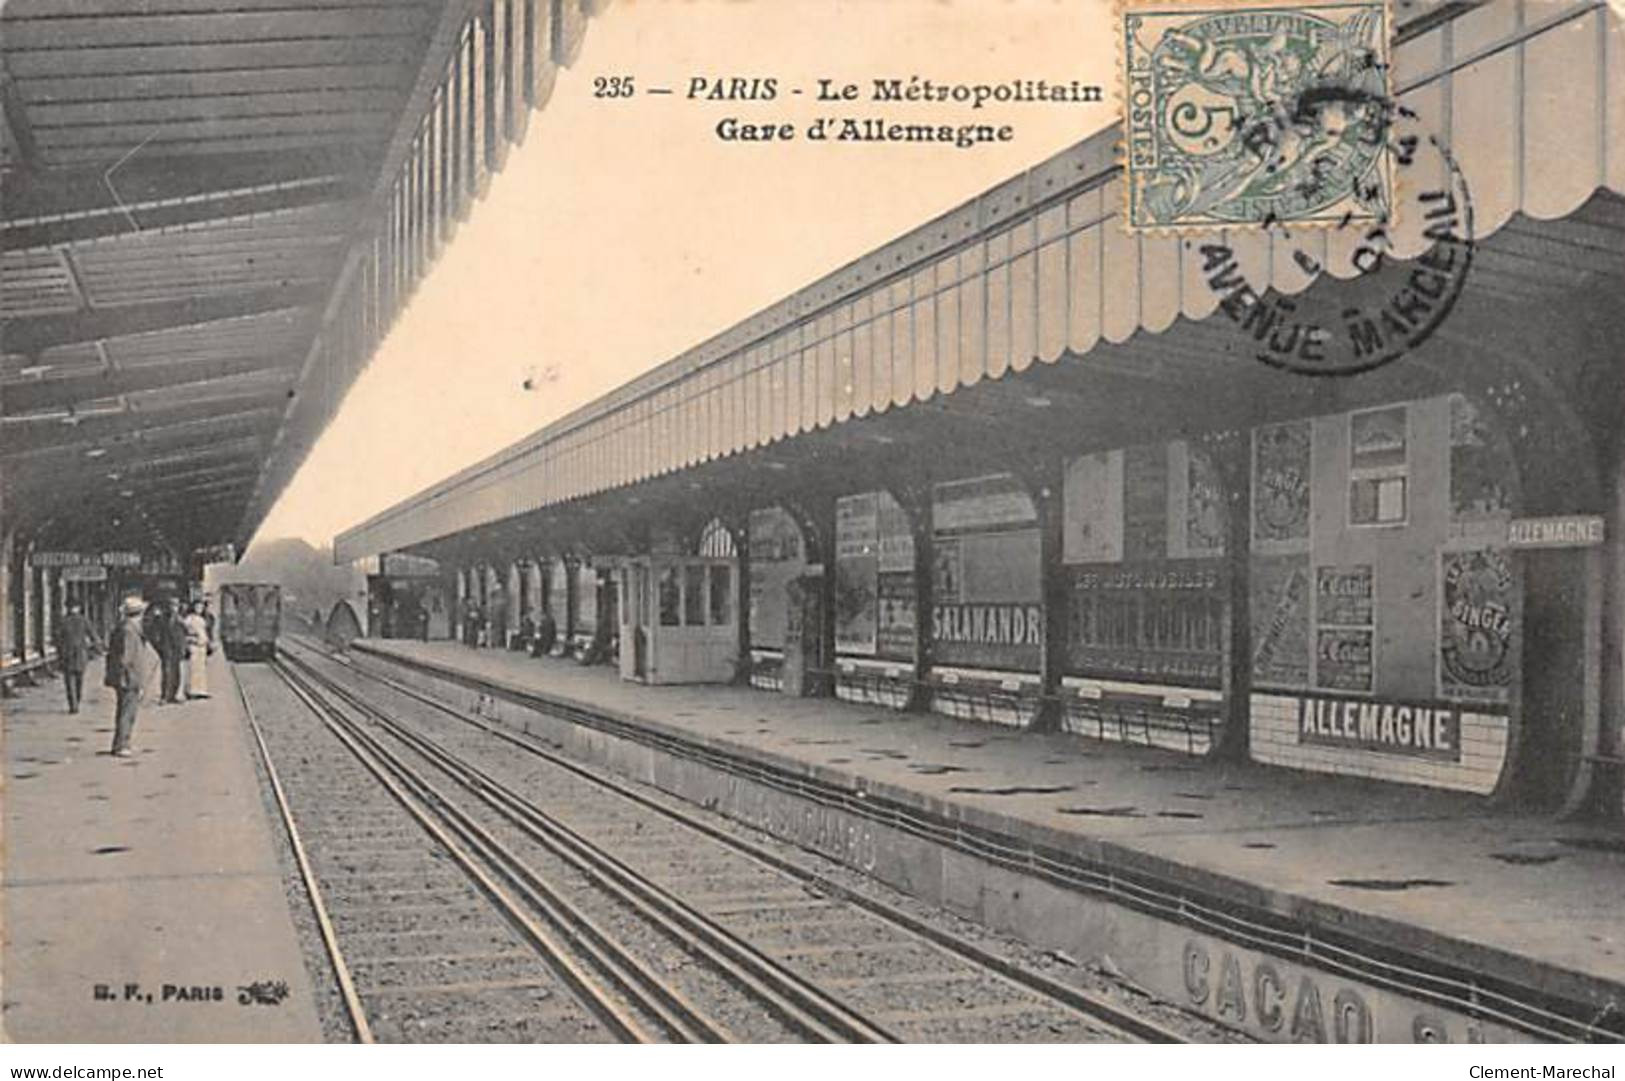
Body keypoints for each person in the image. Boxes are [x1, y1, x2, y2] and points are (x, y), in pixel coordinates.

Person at [104, 596, 148, 758]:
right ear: (139, 614)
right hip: (129, 678)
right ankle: (123, 744)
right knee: (128, 712)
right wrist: (133, 679)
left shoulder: (125, 628)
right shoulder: (130, 631)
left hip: (126, 677)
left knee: (124, 710)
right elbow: (127, 658)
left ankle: (120, 743)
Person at [55, 599, 97, 713]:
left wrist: (59, 653)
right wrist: (95, 649)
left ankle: (73, 704)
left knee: (70, 682)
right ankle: (75, 703)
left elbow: (57, 639)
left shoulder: (63, 621)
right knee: (79, 681)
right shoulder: (84, 620)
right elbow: (94, 636)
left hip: (67, 655)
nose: (73, 609)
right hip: (80, 655)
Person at [158, 602, 186, 704]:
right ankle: (165, 696)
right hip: (166, 649)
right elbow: (158, 634)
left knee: (176, 673)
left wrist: (183, 649)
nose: (174, 608)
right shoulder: (163, 619)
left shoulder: (180, 620)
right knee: (166, 673)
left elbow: (183, 636)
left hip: (177, 650)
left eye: (176, 606)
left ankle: (174, 695)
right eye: (172, 606)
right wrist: (160, 647)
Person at [182, 600, 210, 699]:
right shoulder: (189, 619)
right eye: (197, 607)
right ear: (193, 607)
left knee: (201, 668)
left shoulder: (202, 619)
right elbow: (185, 631)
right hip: (194, 645)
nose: (199, 609)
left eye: (201, 607)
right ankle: (192, 690)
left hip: (202, 646)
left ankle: (201, 690)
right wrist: (191, 638)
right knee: (194, 668)